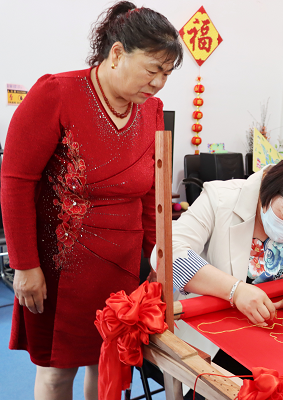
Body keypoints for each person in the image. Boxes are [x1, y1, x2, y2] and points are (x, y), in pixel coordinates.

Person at [2, 2, 183, 399]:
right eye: (153, 69)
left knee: (107, 364)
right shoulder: (56, 93)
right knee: (57, 372)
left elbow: (152, 194)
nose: (158, 83)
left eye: (167, 74)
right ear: (117, 53)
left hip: (121, 266)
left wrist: (158, 259)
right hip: (59, 266)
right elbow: (16, 182)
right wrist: (25, 265)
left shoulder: (152, 110)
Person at [153, 150, 283, 375]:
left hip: (281, 334)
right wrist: (235, 291)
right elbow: (166, 254)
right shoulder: (220, 199)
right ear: (268, 188)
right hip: (217, 336)